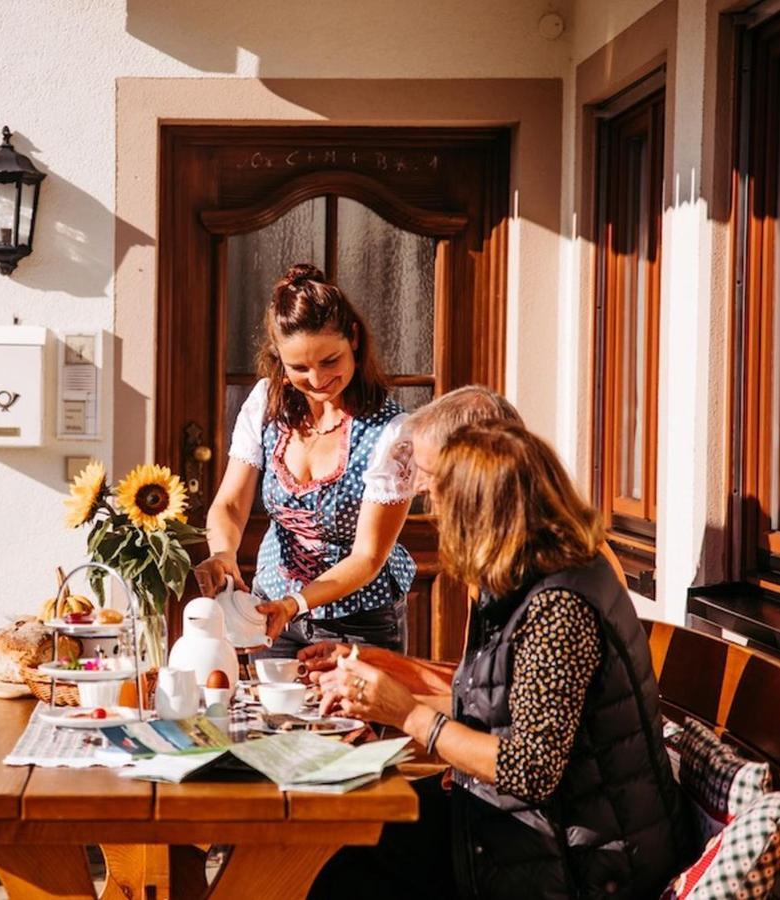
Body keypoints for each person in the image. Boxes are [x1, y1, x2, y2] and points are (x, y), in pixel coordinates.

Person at [310, 421, 691, 900]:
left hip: (584, 865)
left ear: (482, 515)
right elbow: (495, 709)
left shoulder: (560, 607)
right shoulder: (534, 577)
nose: (437, 520)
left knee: (354, 866)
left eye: (443, 505)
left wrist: (406, 714)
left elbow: (530, 768)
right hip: (540, 829)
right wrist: (378, 694)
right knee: (353, 837)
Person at [299, 385, 627, 688]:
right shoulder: (501, 554)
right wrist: (368, 661)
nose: (418, 487)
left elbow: (523, 735)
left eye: (428, 471)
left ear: (476, 472)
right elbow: (478, 687)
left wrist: (404, 711)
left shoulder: (562, 580)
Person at [193, 263, 416, 655]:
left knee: (352, 719)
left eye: (330, 361)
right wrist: (223, 554)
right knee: (264, 715)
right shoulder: (265, 403)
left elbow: (368, 555)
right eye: (298, 367)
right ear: (279, 359)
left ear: (355, 339)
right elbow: (230, 503)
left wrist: (295, 604)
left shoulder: (393, 432)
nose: (316, 380)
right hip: (271, 608)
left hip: (359, 618)